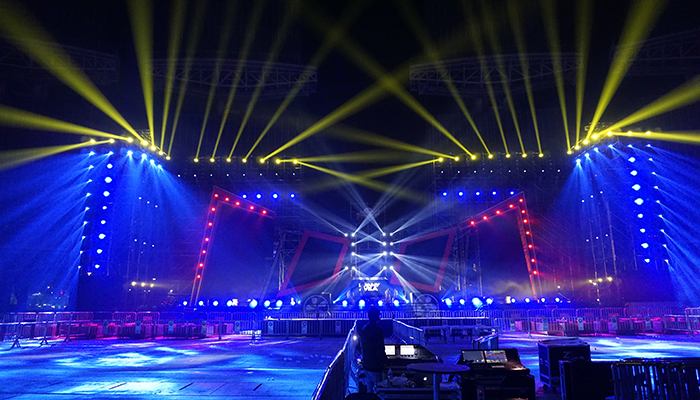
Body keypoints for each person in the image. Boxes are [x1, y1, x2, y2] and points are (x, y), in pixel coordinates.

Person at [358, 306, 387, 392]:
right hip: (376, 365)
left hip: (366, 364)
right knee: (378, 390)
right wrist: (385, 361)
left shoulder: (363, 330)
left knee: (369, 389)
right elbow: (380, 349)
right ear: (377, 316)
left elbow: (358, 347)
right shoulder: (378, 331)